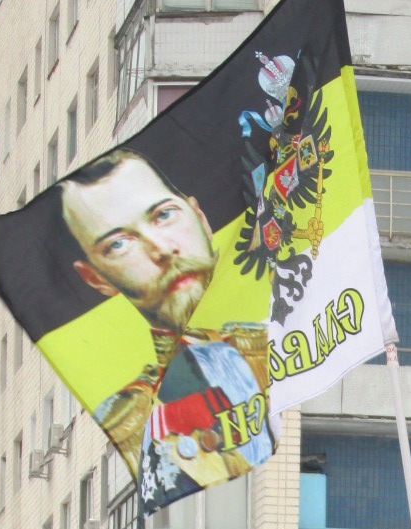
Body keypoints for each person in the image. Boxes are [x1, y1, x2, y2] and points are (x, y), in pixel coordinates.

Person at [60, 148, 273, 502]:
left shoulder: (274, 339)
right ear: (96, 278)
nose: (160, 249)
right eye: (118, 243)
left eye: (164, 215)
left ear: (200, 218)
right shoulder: (128, 421)